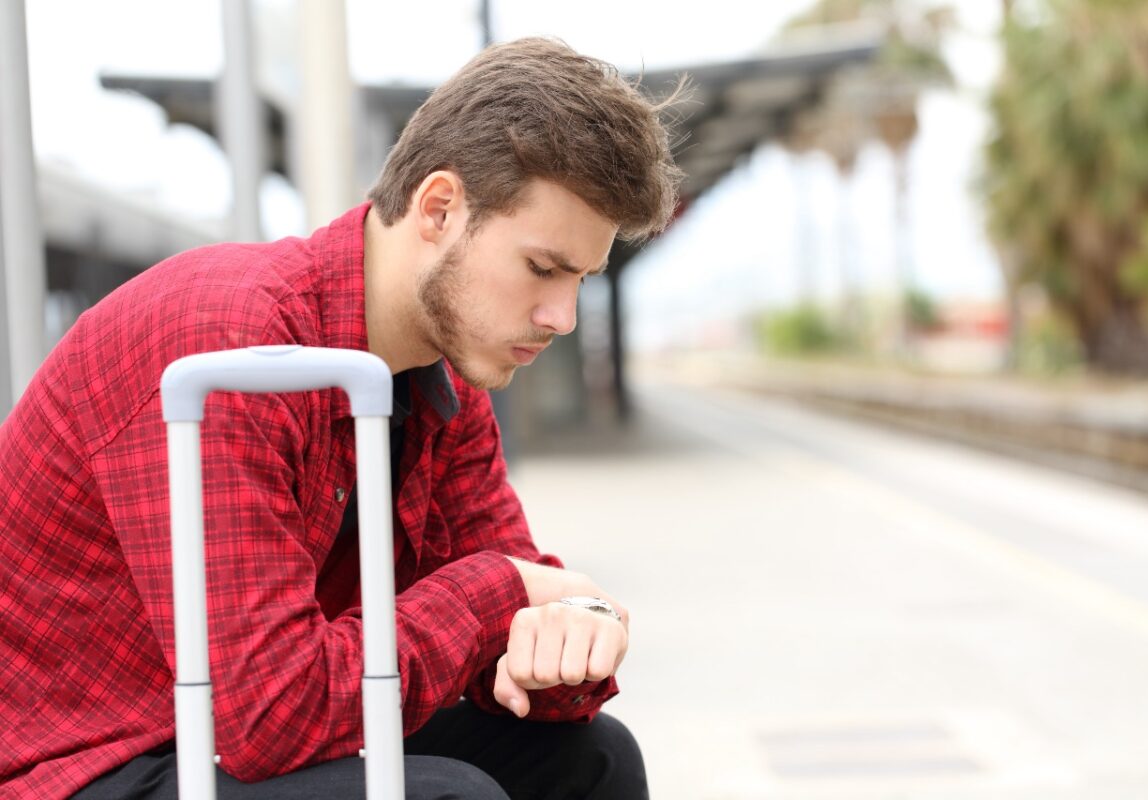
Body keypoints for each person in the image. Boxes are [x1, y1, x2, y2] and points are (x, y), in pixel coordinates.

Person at [0, 36, 684, 799]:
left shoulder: (443, 382)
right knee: (447, 796)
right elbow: (270, 717)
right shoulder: (228, 344)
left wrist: (574, 631)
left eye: (583, 279)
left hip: (231, 745)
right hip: (92, 763)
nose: (562, 317)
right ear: (439, 208)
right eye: (543, 269)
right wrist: (505, 595)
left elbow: (518, 640)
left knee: (594, 761)